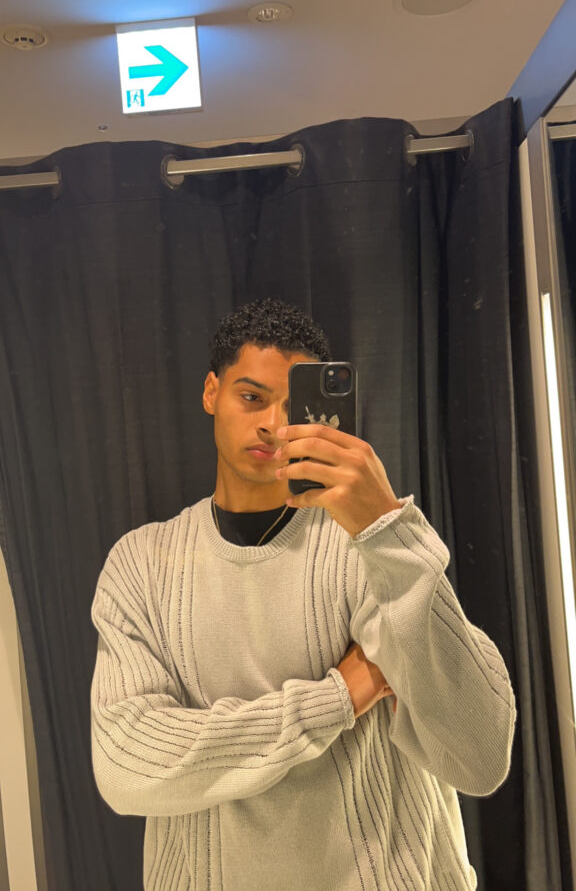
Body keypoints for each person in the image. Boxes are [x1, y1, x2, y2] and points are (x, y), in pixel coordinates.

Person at [90, 298, 516, 891]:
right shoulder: (141, 565)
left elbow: (480, 754)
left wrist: (387, 528)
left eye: (295, 406)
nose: (273, 424)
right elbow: (127, 765)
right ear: (212, 392)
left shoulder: (367, 545)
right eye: (252, 397)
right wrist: (340, 695)